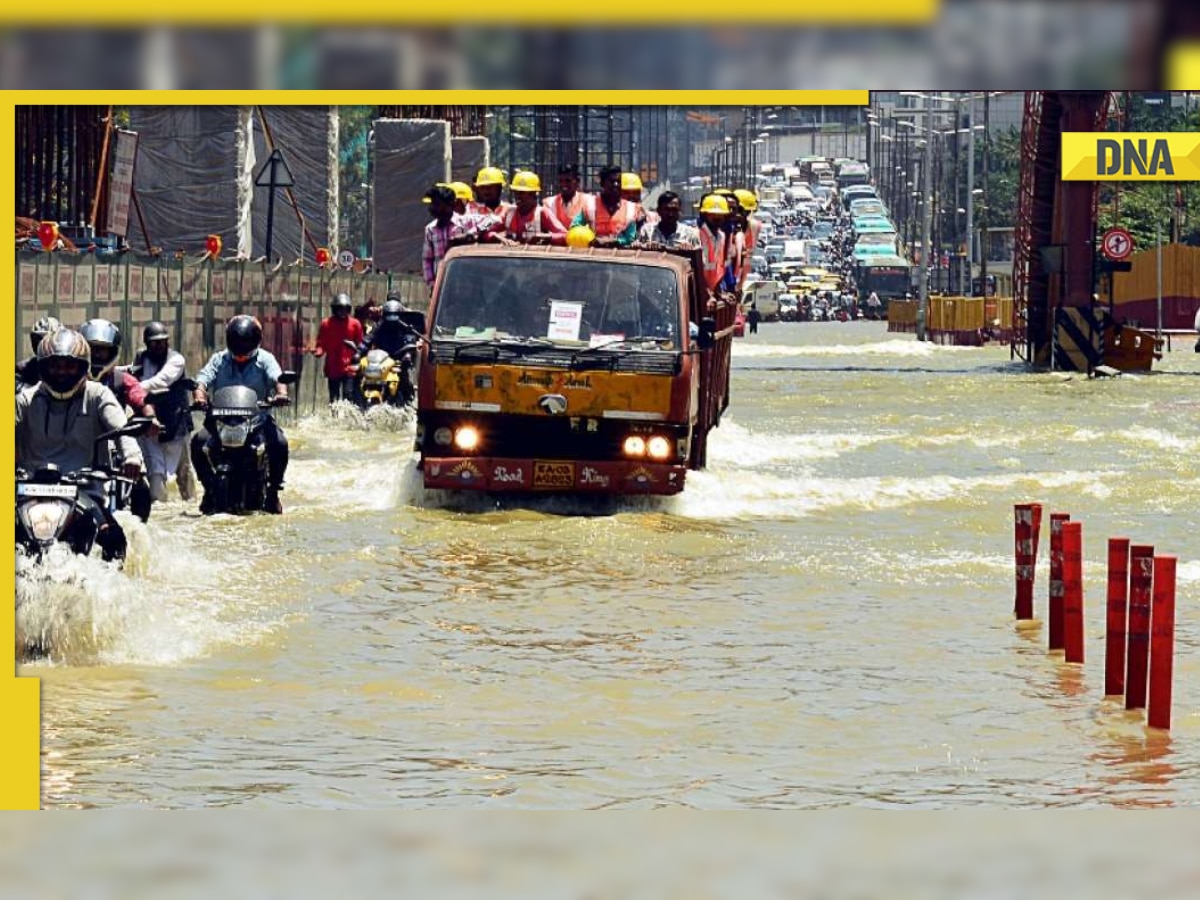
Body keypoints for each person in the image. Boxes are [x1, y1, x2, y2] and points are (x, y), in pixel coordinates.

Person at [16, 328, 144, 561]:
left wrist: (132, 458)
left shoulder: (98, 395)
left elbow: (121, 429)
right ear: (44, 367)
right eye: (55, 366)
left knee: (114, 540)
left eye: (69, 366)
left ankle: (110, 595)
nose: (62, 373)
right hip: (27, 490)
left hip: (85, 490)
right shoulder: (26, 399)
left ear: (83, 367)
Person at [191, 315, 290, 514]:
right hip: (221, 420)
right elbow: (202, 379)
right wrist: (199, 397)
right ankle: (208, 488)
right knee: (197, 442)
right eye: (237, 344)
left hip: (256, 420)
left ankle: (273, 492)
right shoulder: (219, 359)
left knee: (279, 443)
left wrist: (281, 394)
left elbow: (277, 377)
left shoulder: (265, 359)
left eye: (245, 344)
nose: (241, 351)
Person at [79, 318, 155, 522]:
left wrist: (150, 418)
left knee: (140, 478)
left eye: (102, 350)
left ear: (112, 352)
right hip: (77, 440)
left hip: (115, 439)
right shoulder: (71, 376)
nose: (96, 355)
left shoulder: (121, 379)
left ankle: (139, 528)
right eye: (92, 349)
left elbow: (140, 397)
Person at [134, 321, 195, 503]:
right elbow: (130, 373)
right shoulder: (141, 358)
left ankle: (191, 504)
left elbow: (160, 381)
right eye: (155, 343)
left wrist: (132, 388)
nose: (159, 346)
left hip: (176, 422)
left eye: (163, 342)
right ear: (147, 344)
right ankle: (159, 508)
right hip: (150, 423)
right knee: (155, 470)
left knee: (183, 469)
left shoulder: (176, 360)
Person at [422, 183, 495, 290]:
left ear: (451, 204)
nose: (432, 208)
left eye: (437, 204)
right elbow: (427, 260)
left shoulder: (466, 222)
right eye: (432, 204)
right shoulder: (430, 229)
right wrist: (432, 285)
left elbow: (493, 220)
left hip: (469, 283)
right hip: (443, 287)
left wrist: (469, 236)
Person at [313, 293, 365, 404]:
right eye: (340, 309)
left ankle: (347, 418)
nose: (343, 312)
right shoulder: (326, 324)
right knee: (334, 398)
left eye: (345, 309)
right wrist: (319, 351)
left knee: (348, 395)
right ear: (334, 309)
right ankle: (335, 419)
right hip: (333, 367)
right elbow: (321, 343)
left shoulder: (355, 324)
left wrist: (359, 356)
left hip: (350, 367)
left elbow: (360, 344)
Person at [570, 164, 640, 247]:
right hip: (593, 255)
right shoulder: (590, 204)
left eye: (619, 181)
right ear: (602, 183)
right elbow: (574, 227)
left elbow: (629, 239)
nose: (616, 184)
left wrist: (614, 241)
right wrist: (591, 239)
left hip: (620, 256)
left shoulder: (630, 209)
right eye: (612, 181)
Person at [502, 171, 567, 244]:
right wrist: (500, 238)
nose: (517, 196)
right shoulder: (509, 213)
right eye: (515, 192)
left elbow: (565, 235)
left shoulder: (542, 213)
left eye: (521, 193)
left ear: (533, 194)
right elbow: (488, 233)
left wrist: (546, 237)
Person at [17, 315, 61, 391]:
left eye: (46, 342)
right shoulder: (24, 368)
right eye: (37, 340)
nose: (41, 346)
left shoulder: (70, 366)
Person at [543, 163, 590, 230]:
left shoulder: (588, 201)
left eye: (568, 181)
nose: (563, 184)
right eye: (560, 181)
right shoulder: (549, 203)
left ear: (577, 182)